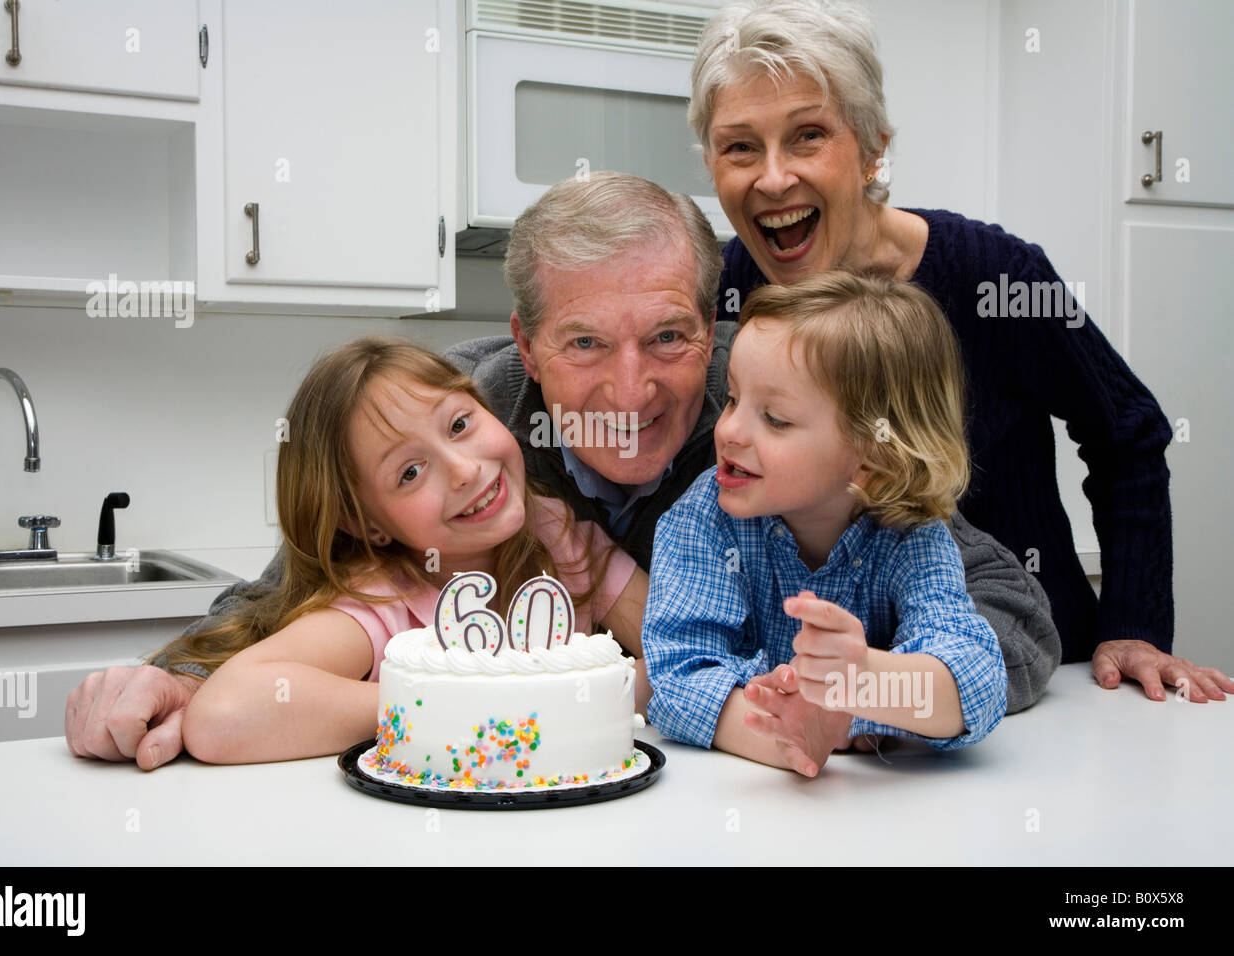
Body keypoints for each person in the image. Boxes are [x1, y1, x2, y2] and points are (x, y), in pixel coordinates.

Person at [66, 173, 1058, 771]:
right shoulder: (469, 418)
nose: (631, 388)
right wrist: (167, 679)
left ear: (710, 324)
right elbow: (302, 584)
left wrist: (871, 705)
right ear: (527, 347)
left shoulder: (761, 402)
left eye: (668, 334)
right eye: (585, 342)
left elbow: (1005, 606)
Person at [691, 0, 1232, 702]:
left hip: (1024, 677)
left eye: (807, 136)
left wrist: (1133, 625)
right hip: (829, 697)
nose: (771, 177)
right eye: (740, 147)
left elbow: (1127, 432)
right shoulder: (730, 287)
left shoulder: (995, 277)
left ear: (872, 147)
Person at [160, 338, 647, 763]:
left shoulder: (557, 537)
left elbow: (685, 645)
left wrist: (591, 692)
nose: (463, 469)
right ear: (368, 525)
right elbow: (221, 717)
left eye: (459, 424)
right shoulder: (383, 603)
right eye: (409, 473)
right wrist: (472, 705)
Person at [646, 272, 1008, 776]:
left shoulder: (911, 535)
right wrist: (789, 736)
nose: (727, 430)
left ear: (873, 457)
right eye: (732, 399)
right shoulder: (703, 519)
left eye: (775, 418)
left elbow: (978, 679)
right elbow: (678, 677)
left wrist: (862, 683)